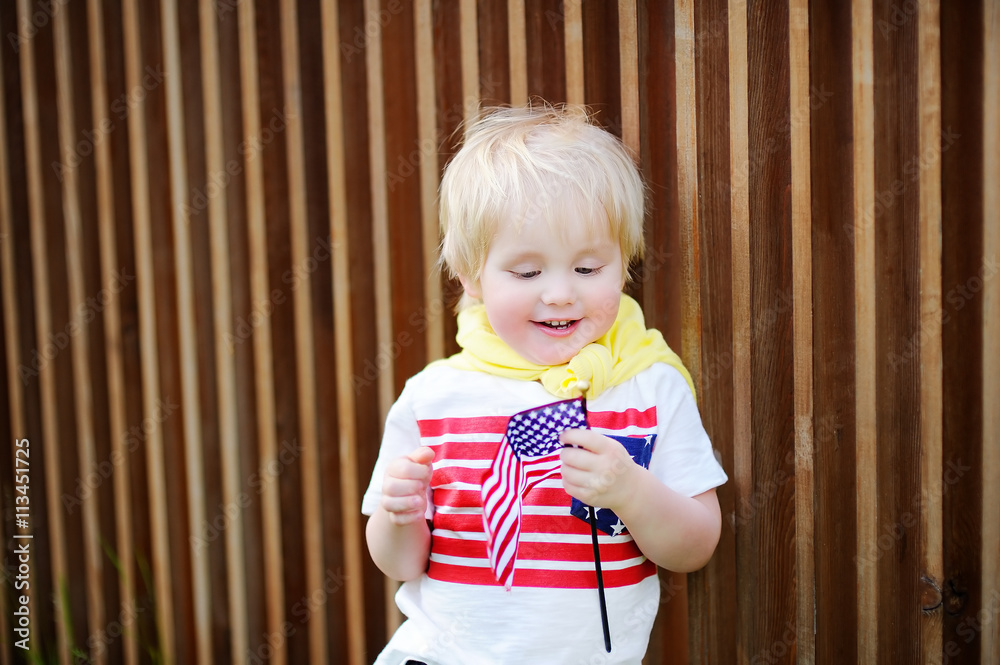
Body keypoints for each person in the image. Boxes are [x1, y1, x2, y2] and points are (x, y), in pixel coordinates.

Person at [362, 103, 727, 664]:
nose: (559, 293)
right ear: (471, 275)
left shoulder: (648, 387)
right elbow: (401, 563)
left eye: (587, 269)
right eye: (527, 272)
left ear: (623, 264)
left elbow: (696, 545)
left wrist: (628, 490)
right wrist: (398, 514)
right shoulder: (433, 398)